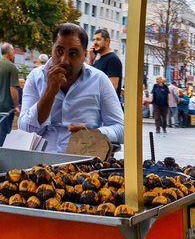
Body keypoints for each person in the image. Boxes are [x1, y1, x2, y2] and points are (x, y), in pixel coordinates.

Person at [17, 24, 124, 153]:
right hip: (41, 163)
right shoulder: (36, 77)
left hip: (83, 164)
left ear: (84, 54)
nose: (64, 60)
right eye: (59, 51)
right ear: (52, 49)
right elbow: (25, 130)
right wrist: (49, 94)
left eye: (73, 53)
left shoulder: (99, 80)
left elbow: (121, 129)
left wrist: (93, 133)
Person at [91, 29, 123, 96]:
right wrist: (90, 60)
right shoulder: (97, 62)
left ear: (107, 41)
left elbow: (112, 87)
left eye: (98, 39)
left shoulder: (113, 60)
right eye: (93, 40)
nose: (94, 42)